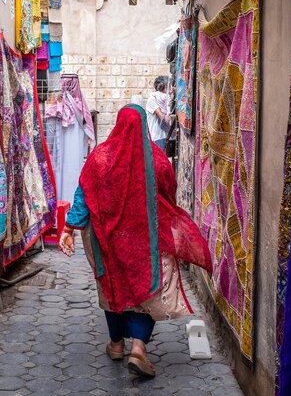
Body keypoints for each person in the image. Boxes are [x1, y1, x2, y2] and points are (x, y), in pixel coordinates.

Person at [59, 104, 213, 378]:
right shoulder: (157, 159)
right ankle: (139, 348)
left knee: (112, 288)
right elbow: (168, 195)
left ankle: (116, 345)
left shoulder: (99, 158)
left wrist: (69, 229)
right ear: (143, 126)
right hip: (146, 240)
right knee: (144, 291)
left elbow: (83, 196)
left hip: (105, 240)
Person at [146, 76, 174, 150]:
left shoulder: (165, 97)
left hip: (164, 136)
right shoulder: (152, 99)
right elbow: (161, 116)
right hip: (156, 137)